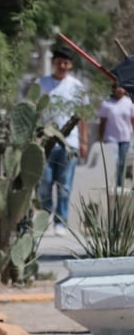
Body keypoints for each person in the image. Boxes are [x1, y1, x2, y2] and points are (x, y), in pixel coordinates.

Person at [37, 46, 88, 236]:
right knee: (45, 183)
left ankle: (61, 222)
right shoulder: (41, 83)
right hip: (46, 141)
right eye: (59, 62)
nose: (63, 65)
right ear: (54, 63)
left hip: (70, 143)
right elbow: (34, 112)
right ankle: (44, 216)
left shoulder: (77, 86)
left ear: (71, 65)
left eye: (66, 63)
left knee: (65, 185)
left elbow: (83, 115)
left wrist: (84, 142)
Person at [97, 82, 134, 190]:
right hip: (110, 138)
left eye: (122, 87)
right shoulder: (107, 104)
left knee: (122, 163)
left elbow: (132, 121)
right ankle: (110, 185)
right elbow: (102, 122)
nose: (119, 90)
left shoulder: (129, 103)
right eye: (117, 87)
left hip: (125, 138)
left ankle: (120, 186)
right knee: (114, 162)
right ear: (113, 89)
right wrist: (100, 138)